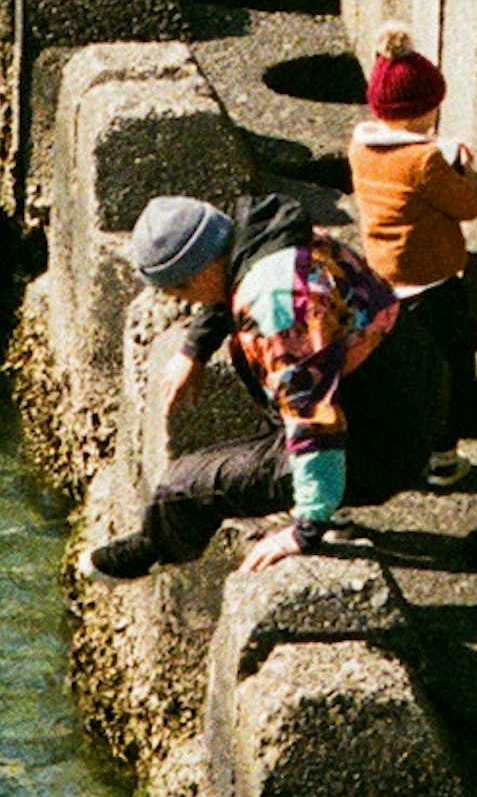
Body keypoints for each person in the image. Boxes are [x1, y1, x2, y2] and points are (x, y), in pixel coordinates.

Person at [82, 189, 400, 577]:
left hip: (380, 441)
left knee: (185, 486)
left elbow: (315, 419)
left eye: (179, 289)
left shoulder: (277, 308)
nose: (181, 300)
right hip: (402, 377)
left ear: (200, 270)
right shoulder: (271, 238)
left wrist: (306, 528)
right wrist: (193, 350)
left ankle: (153, 549)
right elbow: (226, 285)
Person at [340, 39, 477, 490]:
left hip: (385, 281)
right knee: (450, 371)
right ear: (427, 109)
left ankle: (402, 455)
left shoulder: (361, 149)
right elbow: (471, 203)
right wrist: (463, 166)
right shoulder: (426, 161)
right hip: (433, 283)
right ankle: (442, 461)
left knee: (403, 373)